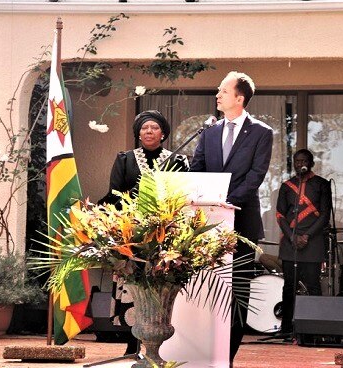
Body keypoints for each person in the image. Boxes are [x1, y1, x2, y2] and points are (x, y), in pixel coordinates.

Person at [189, 71, 273, 364]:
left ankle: (228, 357)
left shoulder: (262, 132)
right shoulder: (209, 132)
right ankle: (201, 353)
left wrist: (227, 202)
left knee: (237, 294)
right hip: (207, 225)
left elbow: (256, 176)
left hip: (242, 223)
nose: (217, 95)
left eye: (223, 91)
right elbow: (197, 167)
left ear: (240, 98)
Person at [99, 110, 189, 354]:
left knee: (159, 285)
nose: (149, 132)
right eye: (144, 128)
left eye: (154, 128)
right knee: (133, 287)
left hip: (164, 235)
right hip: (132, 236)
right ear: (138, 133)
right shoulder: (125, 159)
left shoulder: (177, 161)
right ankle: (131, 343)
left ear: (163, 134)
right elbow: (115, 194)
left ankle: (159, 345)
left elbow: (182, 197)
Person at [276, 149, 331, 336]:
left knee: (314, 286)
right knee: (289, 286)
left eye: (304, 161)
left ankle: (316, 328)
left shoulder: (322, 184)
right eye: (297, 161)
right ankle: (286, 328)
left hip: (312, 242)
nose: (300, 164)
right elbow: (280, 215)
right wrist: (292, 237)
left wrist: (306, 236)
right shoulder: (287, 186)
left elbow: (325, 214)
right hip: (290, 243)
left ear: (311, 163)